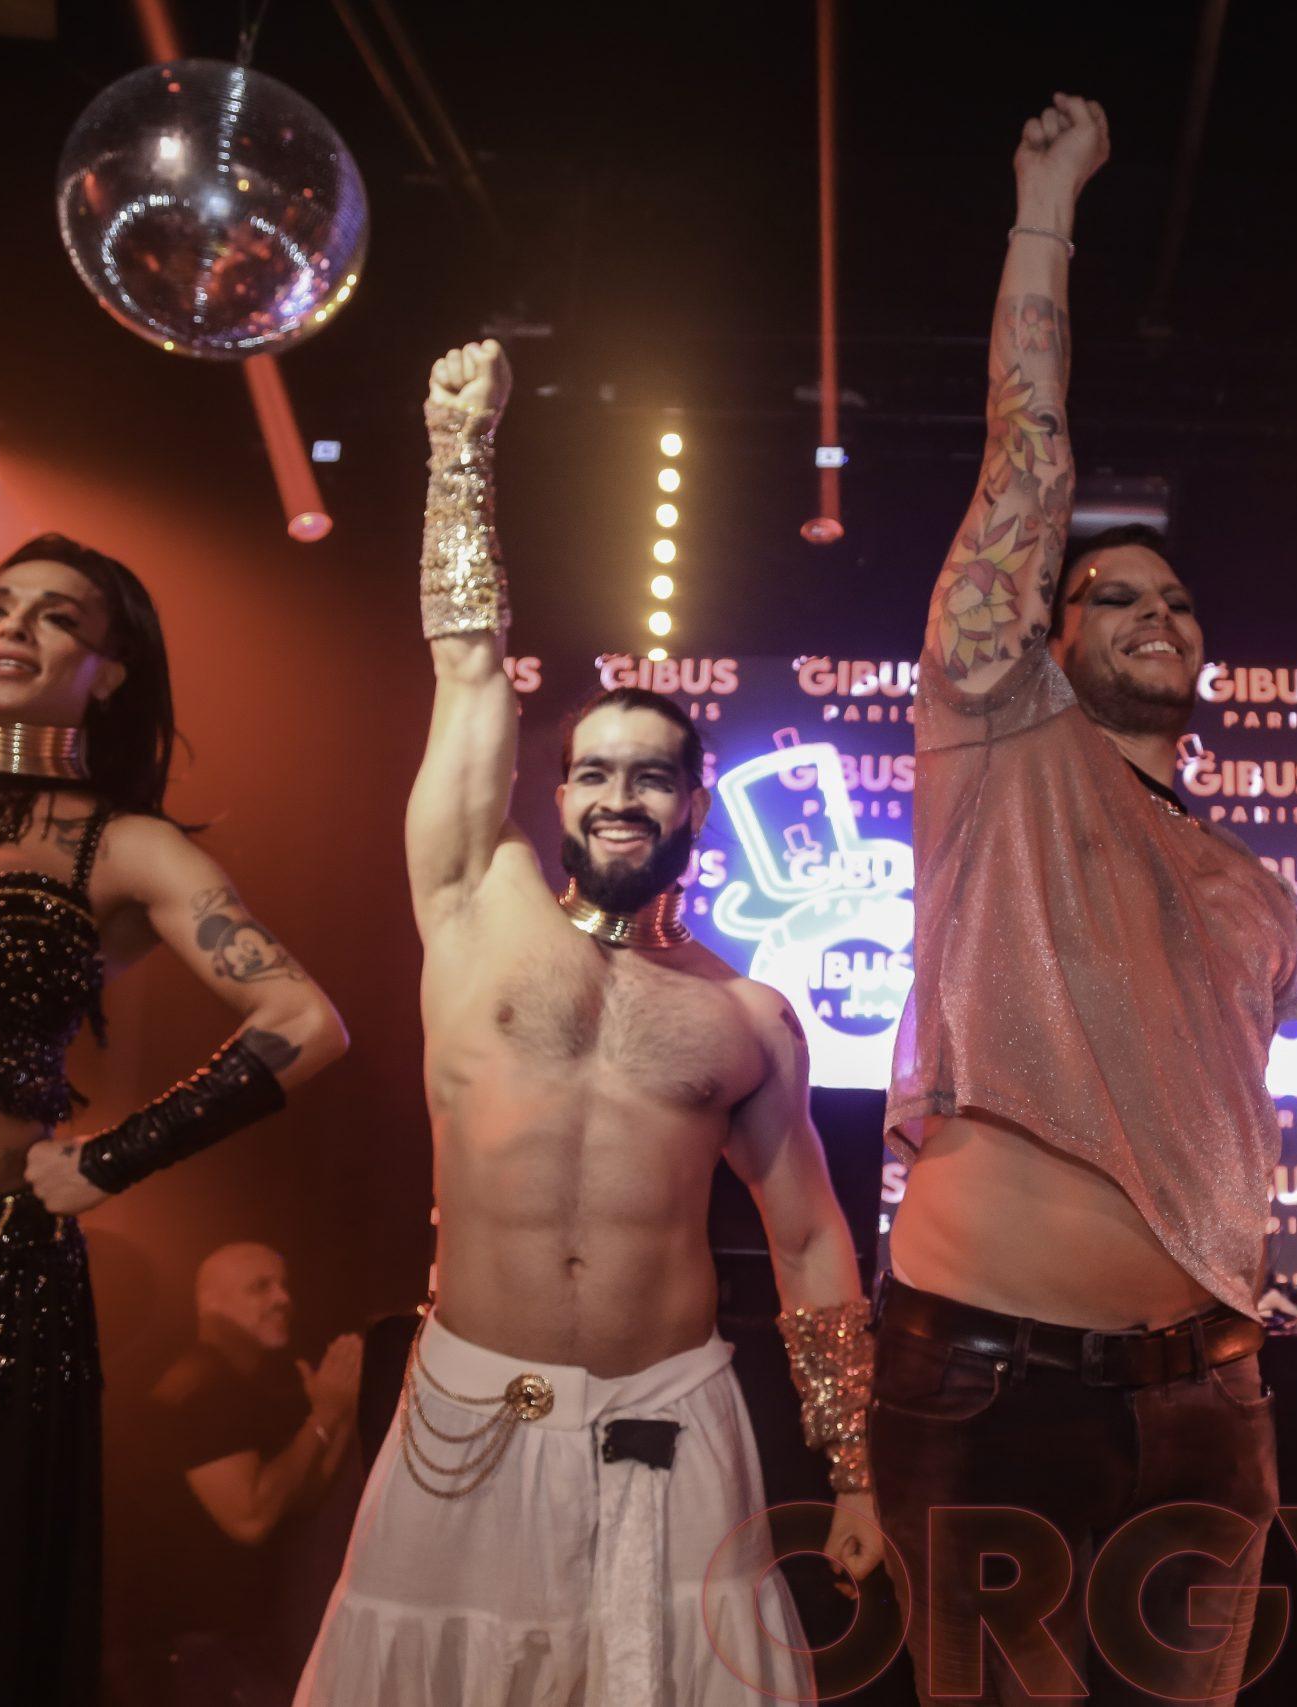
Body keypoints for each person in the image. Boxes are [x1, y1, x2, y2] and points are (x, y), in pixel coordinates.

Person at [0, 232, 347, 1704]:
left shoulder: (123, 846)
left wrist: (115, 1158)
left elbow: (305, 1019)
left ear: (109, 673)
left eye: (59, 619)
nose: (13, 628)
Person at [296, 336, 879, 1705]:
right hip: (477, 1401)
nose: (622, 797)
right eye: (596, 773)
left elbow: (808, 1237)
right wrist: (459, 452)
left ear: (693, 803)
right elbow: (467, 667)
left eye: (653, 776)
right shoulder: (474, 898)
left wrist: (853, 1468)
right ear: (554, 797)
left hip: (671, 1412)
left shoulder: (748, 1014)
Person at [875, 95, 1297, 1706]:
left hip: (1211, 1396)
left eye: (1175, 598)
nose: (1153, 608)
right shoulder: (1000, 741)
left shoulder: (1255, 894)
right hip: (987, 1379)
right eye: (1107, 591)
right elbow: (1027, 459)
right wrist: (1046, 205)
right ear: (1041, 636)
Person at [135, 1244, 362, 1704]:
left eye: (284, 1286)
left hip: (241, 1643)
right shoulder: (203, 1388)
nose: (283, 1299)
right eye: (261, 1287)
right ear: (211, 1302)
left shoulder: (240, 1387)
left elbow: (300, 1495)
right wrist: (322, 1418)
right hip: (205, 1652)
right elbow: (251, 1518)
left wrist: (339, 1413)